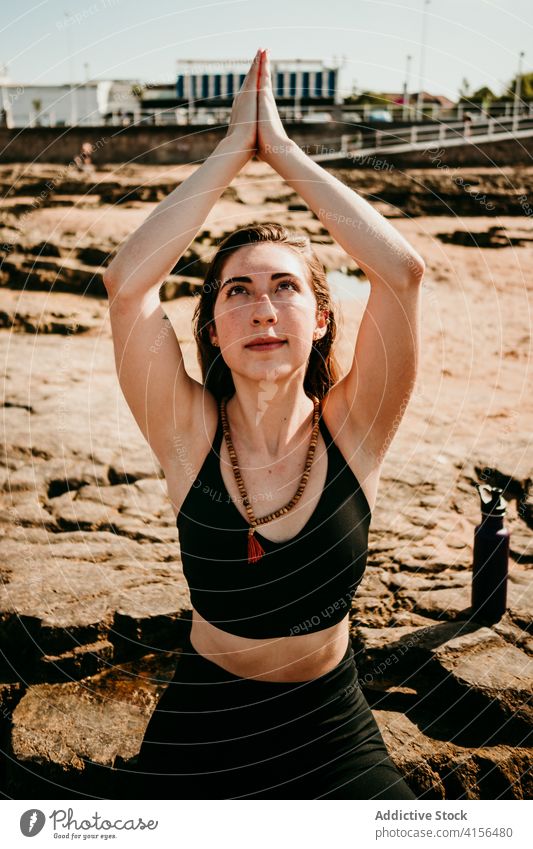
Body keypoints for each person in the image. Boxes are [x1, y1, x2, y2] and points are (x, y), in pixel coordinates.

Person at [103, 48, 424, 800]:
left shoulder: (356, 428)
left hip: (329, 723)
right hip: (204, 716)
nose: (261, 308)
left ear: (318, 320)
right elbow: (126, 286)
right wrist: (229, 151)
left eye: (284, 288)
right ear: (211, 328)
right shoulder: (187, 432)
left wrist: (279, 151)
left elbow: (401, 273)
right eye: (237, 292)